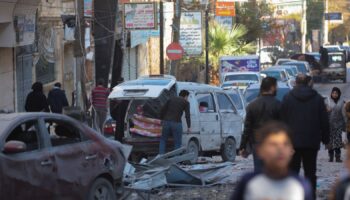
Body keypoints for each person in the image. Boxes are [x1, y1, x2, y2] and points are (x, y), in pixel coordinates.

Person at [231, 122, 313, 200]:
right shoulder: (248, 183)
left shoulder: (301, 185)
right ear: (260, 151)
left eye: (285, 144)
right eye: (273, 144)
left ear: (291, 150)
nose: (280, 150)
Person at [280, 74, 329, 199]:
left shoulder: (287, 98)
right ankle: (310, 196)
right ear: (309, 83)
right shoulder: (317, 98)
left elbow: (282, 121)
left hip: (292, 142)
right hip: (311, 141)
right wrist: (326, 139)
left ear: (295, 82)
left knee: (293, 172)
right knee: (310, 172)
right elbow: (324, 120)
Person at [239, 77, 281, 172]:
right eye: (276, 86)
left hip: (257, 143)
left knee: (259, 171)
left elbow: (247, 128)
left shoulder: (252, 105)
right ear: (272, 87)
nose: (277, 88)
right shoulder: (278, 105)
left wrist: (243, 146)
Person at [159, 90, 191, 154]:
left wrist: (161, 119)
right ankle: (175, 159)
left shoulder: (171, 99)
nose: (187, 98)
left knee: (163, 140)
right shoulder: (186, 102)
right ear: (186, 96)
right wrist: (189, 126)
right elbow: (187, 115)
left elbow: (162, 110)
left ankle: (161, 155)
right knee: (177, 142)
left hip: (166, 122)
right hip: (176, 123)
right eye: (187, 97)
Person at [327, 87, 346, 162]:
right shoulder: (327, 101)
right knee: (330, 141)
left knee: (338, 141)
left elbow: (344, 114)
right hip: (329, 124)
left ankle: (338, 157)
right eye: (333, 93)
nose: (334, 94)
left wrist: (345, 124)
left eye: (336, 93)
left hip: (339, 124)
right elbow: (322, 112)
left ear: (339, 94)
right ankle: (330, 156)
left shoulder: (342, 102)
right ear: (331, 93)